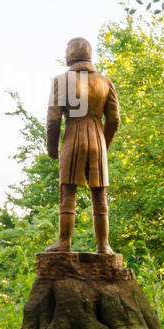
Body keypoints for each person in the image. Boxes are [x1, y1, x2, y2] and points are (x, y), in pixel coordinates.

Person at [44, 37, 120, 254]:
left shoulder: (63, 80)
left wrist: (52, 149)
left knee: (67, 192)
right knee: (100, 195)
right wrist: (103, 144)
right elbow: (114, 119)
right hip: (97, 137)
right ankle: (103, 246)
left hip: (73, 137)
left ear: (72, 53)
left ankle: (64, 242)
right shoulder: (105, 82)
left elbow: (53, 118)